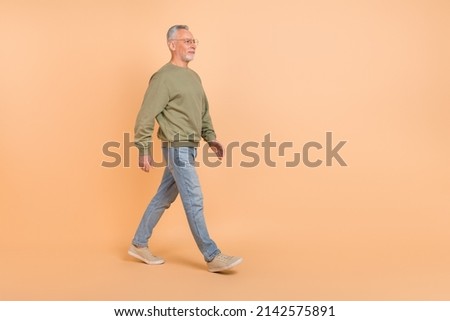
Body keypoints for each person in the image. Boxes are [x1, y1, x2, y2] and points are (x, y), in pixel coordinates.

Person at [128, 25, 243, 273]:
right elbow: (145, 116)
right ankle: (212, 256)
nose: (192, 45)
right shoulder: (163, 77)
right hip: (176, 147)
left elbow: (203, 111)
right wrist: (143, 148)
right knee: (194, 198)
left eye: (194, 41)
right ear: (172, 45)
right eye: (187, 40)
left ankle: (138, 243)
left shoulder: (194, 77)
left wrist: (210, 138)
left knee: (163, 198)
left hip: (189, 147)